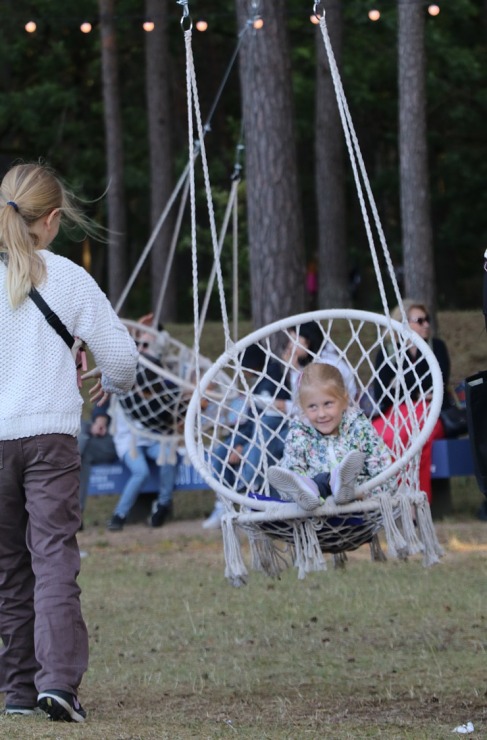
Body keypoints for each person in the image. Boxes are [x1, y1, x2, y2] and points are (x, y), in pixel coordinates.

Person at [0, 163, 138, 721]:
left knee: (9, 566)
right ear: (53, 220)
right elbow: (123, 362)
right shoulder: (69, 279)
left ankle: (17, 690)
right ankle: (58, 683)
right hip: (50, 438)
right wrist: (109, 377)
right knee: (54, 556)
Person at [268, 363, 394, 510]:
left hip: (360, 502)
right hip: (316, 510)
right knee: (309, 481)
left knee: (350, 473)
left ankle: (341, 486)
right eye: (312, 407)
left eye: (328, 404)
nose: (321, 414)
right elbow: (293, 471)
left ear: (344, 400)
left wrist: (367, 494)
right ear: (302, 407)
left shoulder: (358, 427)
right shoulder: (299, 433)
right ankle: (324, 487)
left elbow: (381, 467)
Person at [202, 343, 291, 529]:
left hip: (267, 435)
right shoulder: (258, 383)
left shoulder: (272, 380)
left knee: (252, 453)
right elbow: (252, 420)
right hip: (251, 430)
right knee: (221, 452)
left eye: (245, 366)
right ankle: (222, 504)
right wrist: (239, 442)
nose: (243, 371)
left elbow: (269, 423)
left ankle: (247, 492)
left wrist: (244, 446)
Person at [372, 300, 450, 504]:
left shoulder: (437, 348)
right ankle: (390, 499)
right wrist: (417, 390)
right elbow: (382, 393)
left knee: (415, 438)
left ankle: (415, 503)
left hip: (430, 412)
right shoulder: (388, 351)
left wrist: (400, 384)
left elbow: (438, 383)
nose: (426, 325)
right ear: (403, 323)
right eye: (420, 320)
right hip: (396, 413)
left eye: (427, 320)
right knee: (383, 435)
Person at [106, 403, 178, 531]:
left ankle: (163, 505)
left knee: (169, 458)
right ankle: (119, 515)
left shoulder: (150, 391)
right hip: (128, 442)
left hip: (152, 440)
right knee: (141, 472)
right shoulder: (120, 393)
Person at [78, 401, 118, 526]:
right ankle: (77, 512)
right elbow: (101, 406)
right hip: (94, 440)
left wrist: (101, 422)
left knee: (81, 453)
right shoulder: (106, 389)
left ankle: (77, 513)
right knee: (82, 454)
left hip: (115, 443)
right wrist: (98, 422)